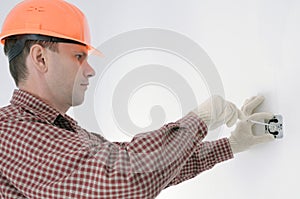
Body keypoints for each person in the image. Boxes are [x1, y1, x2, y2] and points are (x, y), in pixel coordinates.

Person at [0, 0, 275, 198]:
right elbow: (126, 181)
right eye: (78, 56)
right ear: (40, 58)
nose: (90, 69)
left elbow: (157, 168)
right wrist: (199, 119)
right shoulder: (8, 131)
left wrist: (232, 144)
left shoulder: (62, 131)